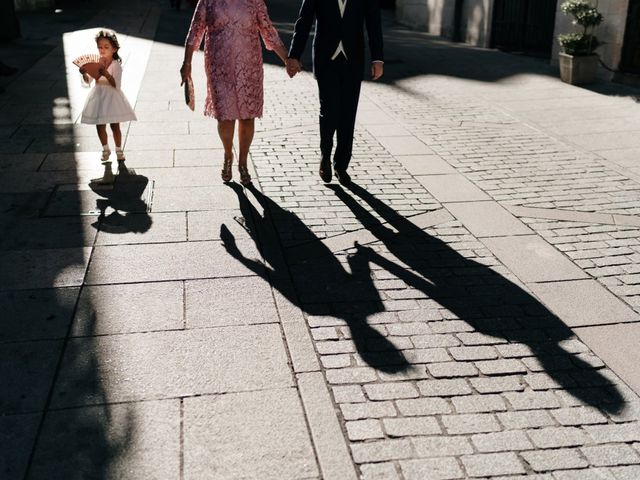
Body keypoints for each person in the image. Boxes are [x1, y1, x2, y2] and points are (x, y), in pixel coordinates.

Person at [180, 0, 290, 186]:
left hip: (249, 66)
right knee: (225, 117)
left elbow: (268, 30)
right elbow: (195, 30)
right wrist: (187, 63)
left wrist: (287, 59)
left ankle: (243, 163)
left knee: (248, 117)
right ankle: (228, 154)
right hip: (219, 66)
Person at [287, 0, 384, 186]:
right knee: (329, 110)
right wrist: (294, 55)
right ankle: (325, 155)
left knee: (348, 113)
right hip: (325, 58)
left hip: (353, 59)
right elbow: (304, 20)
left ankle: (341, 165)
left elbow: (374, 22)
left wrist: (377, 58)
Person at [80, 29, 137, 184]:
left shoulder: (116, 65)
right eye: (100, 47)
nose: (102, 50)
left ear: (114, 49)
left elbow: (116, 85)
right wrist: (84, 73)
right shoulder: (97, 62)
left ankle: (119, 150)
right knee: (99, 125)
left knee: (114, 125)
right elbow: (89, 81)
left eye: (106, 47)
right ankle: (105, 148)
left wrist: (105, 73)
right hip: (98, 96)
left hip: (111, 97)